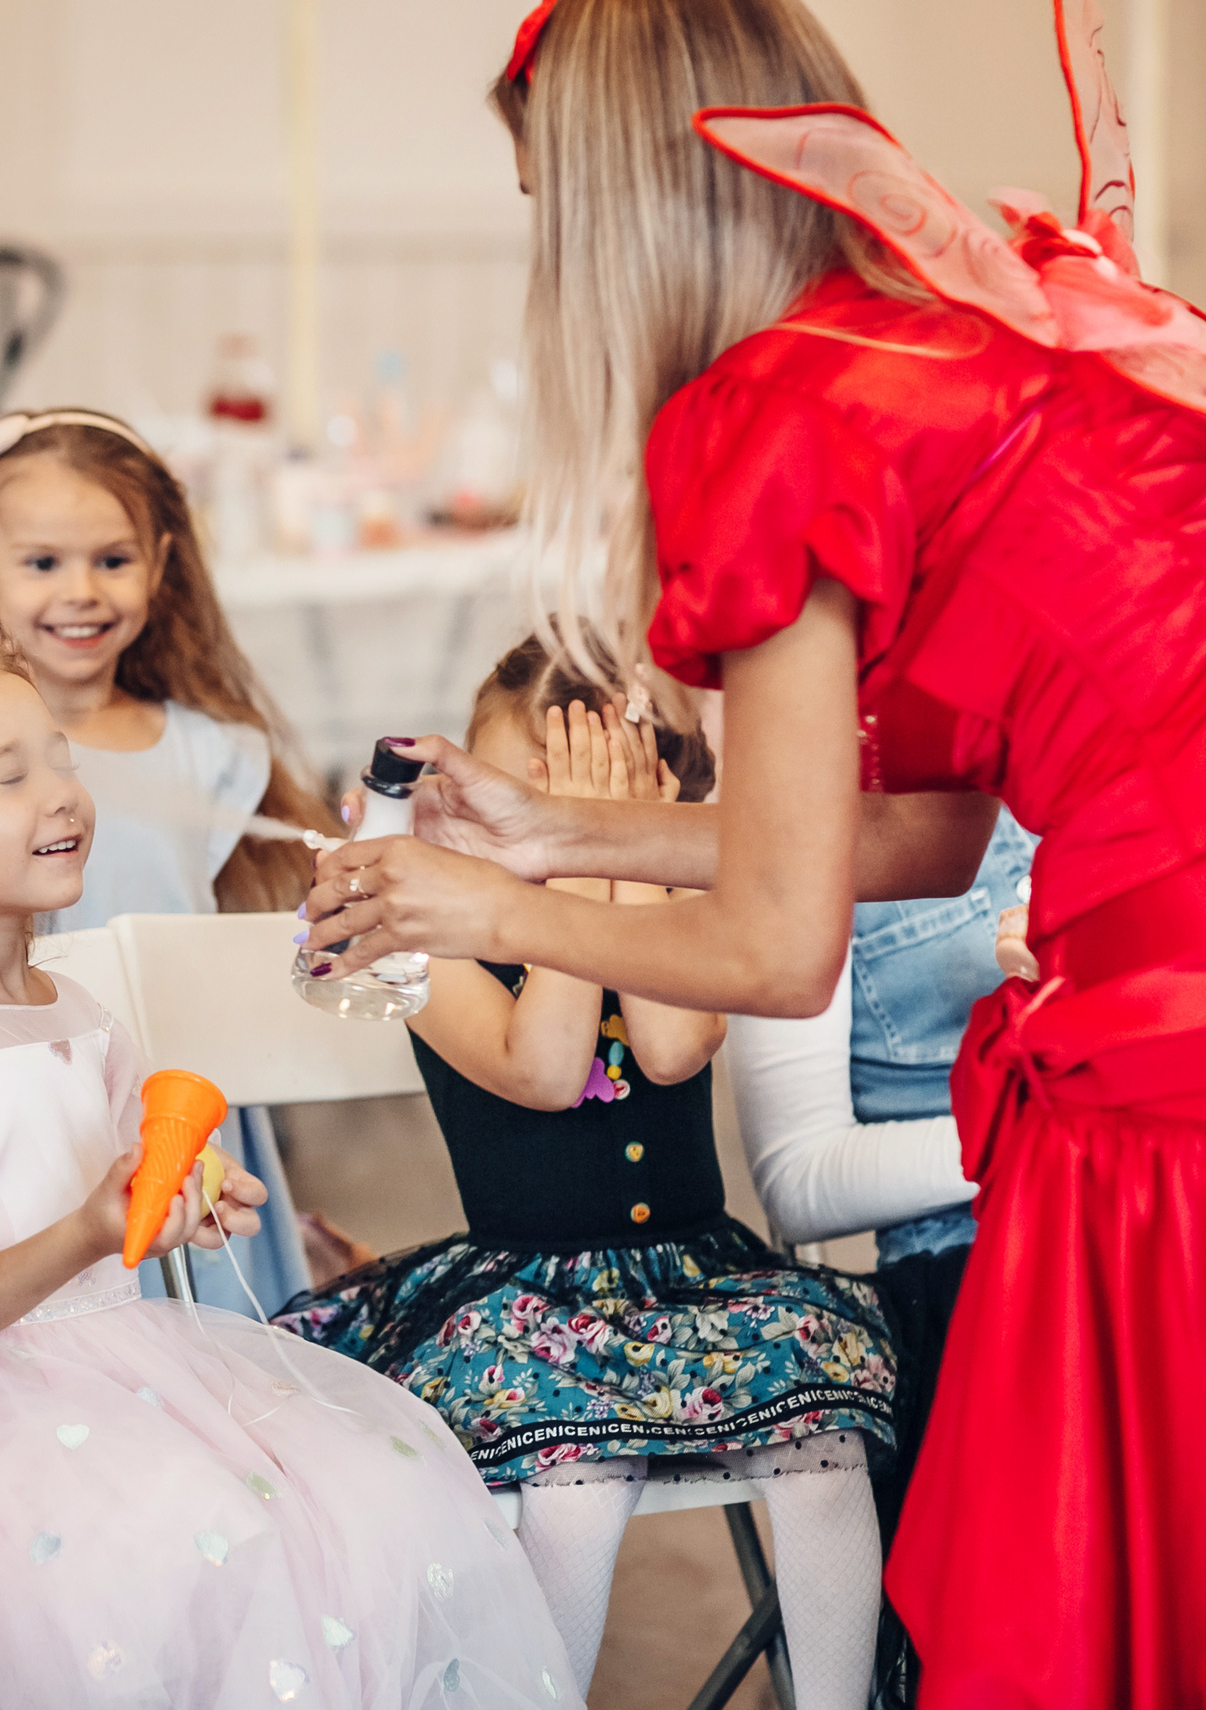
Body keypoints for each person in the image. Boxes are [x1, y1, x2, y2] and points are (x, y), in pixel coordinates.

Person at [294, 1, 1206, 1702]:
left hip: (1199, 993)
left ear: (611, 202)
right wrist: (566, 825)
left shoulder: (777, 413)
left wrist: (489, 902)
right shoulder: (956, 334)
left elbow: (775, 948)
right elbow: (936, 831)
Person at [0, 621, 580, 1710]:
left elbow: (128, 1189)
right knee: (199, 1538)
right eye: (9, 775)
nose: (61, 791)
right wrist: (83, 1233)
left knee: (365, 1486)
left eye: (58, 756)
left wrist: (183, 1202)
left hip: (132, 1363)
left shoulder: (79, 1012)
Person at [276, 643, 892, 1707]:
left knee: (823, 1450)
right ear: (460, 809)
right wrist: (567, 876)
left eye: (598, 797)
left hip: (695, 1283)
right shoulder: (431, 942)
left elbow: (667, 1048)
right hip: (531, 1298)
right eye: (533, 799)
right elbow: (545, 1071)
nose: (555, 827)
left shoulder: (676, 905)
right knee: (575, 1484)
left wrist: (624, 866)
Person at [0, 407, 336, 1315]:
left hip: (183, 1109)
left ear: (161, 564)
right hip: (24, 1109)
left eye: (112, 559)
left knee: (212, 1345)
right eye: (43, 562)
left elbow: (275, 924)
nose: (82, 592)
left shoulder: (209, 752)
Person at [725, 812, 1035, 1704]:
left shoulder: (1148, 767)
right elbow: (800, 1178)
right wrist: (1030, 1138)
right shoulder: (822, 822)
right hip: (973, 1256)